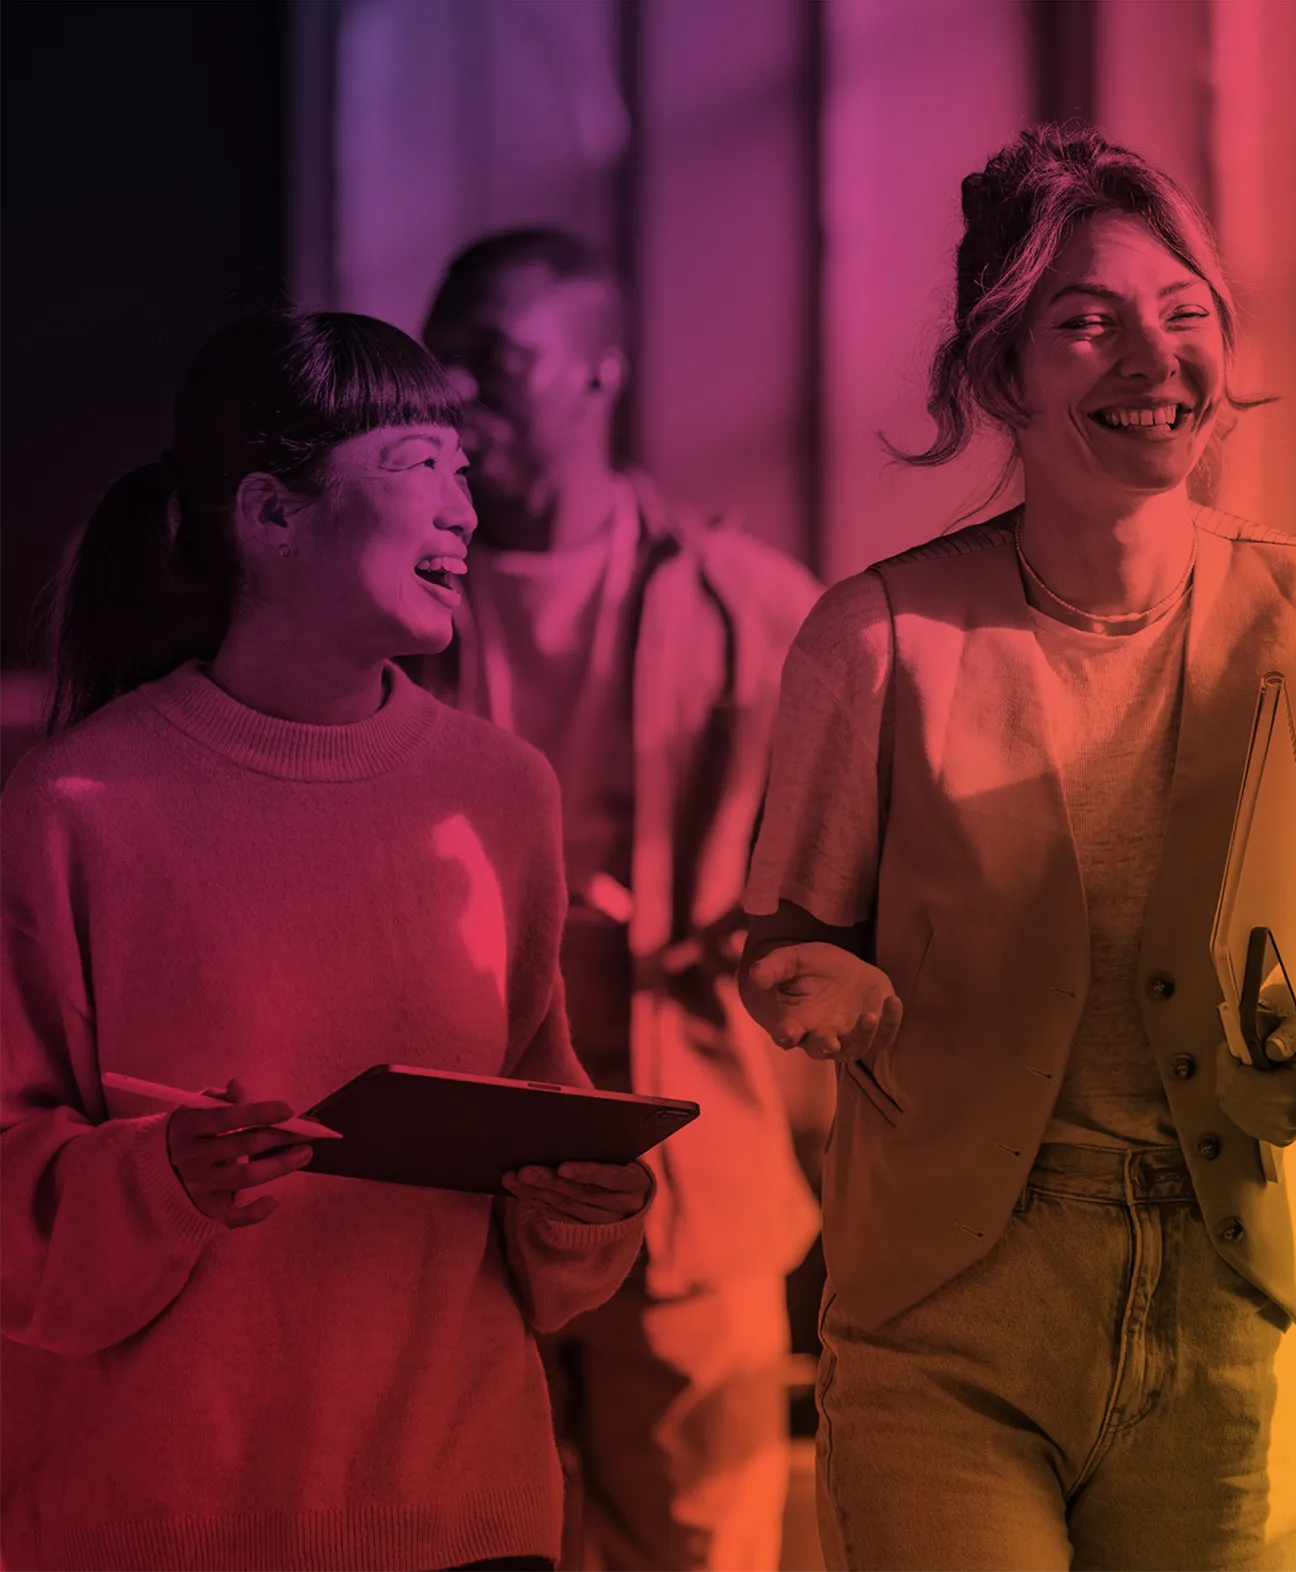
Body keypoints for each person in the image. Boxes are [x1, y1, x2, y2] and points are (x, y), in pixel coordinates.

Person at [737, 124, 1296, 1571]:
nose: (1150, 357)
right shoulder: (873, 637)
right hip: (950, 1302)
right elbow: (787, 942)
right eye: (1086, 322)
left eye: (1184, 316)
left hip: (1226, 1282)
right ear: (998, 373)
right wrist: (819, 983)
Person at [0, 309, 656, 1572]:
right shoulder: (77, 804)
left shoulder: (503, 792)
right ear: (271, 513)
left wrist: (586, 1204)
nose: (465, 508)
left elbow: (538, 1128)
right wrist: (159, 1179)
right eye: (420, 464)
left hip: (463, 1516)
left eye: (467, 470)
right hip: (161, 1521)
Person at [417, 230, 826, 1572]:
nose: (458, 391)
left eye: (496, 359)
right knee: (465, 1543)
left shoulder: (753, 612)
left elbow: (867, 881)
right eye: (446, 357)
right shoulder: (390, 610)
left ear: (601, 373)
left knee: (702, 1552)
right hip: (450, 1196)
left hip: (690, 1189)